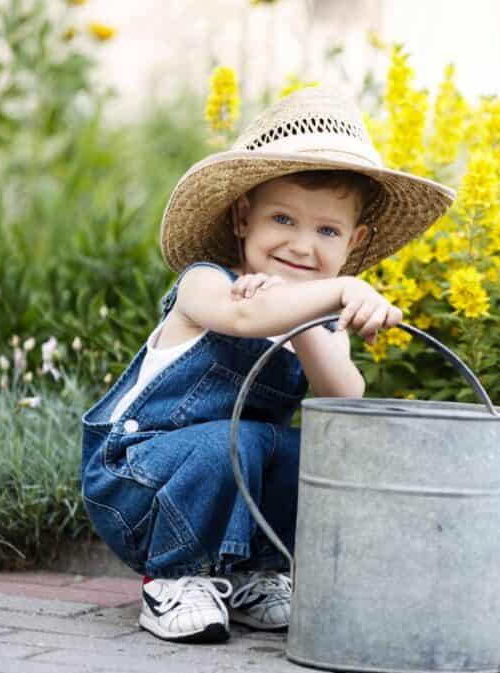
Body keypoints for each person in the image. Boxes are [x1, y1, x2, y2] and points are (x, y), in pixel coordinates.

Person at [80, 87, 453, 643]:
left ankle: (250, 573)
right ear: (242, 219)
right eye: (283, 219)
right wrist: (340, 289)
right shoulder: (207, 284)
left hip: (224, 485)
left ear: (356, 241)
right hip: (135, 485)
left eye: (327, 231)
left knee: (310, 452)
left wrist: (318, 318)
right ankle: (174, 579)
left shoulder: (320, 319)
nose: (303, 246)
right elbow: (250, 318)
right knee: (239, 442)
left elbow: (342, 397)